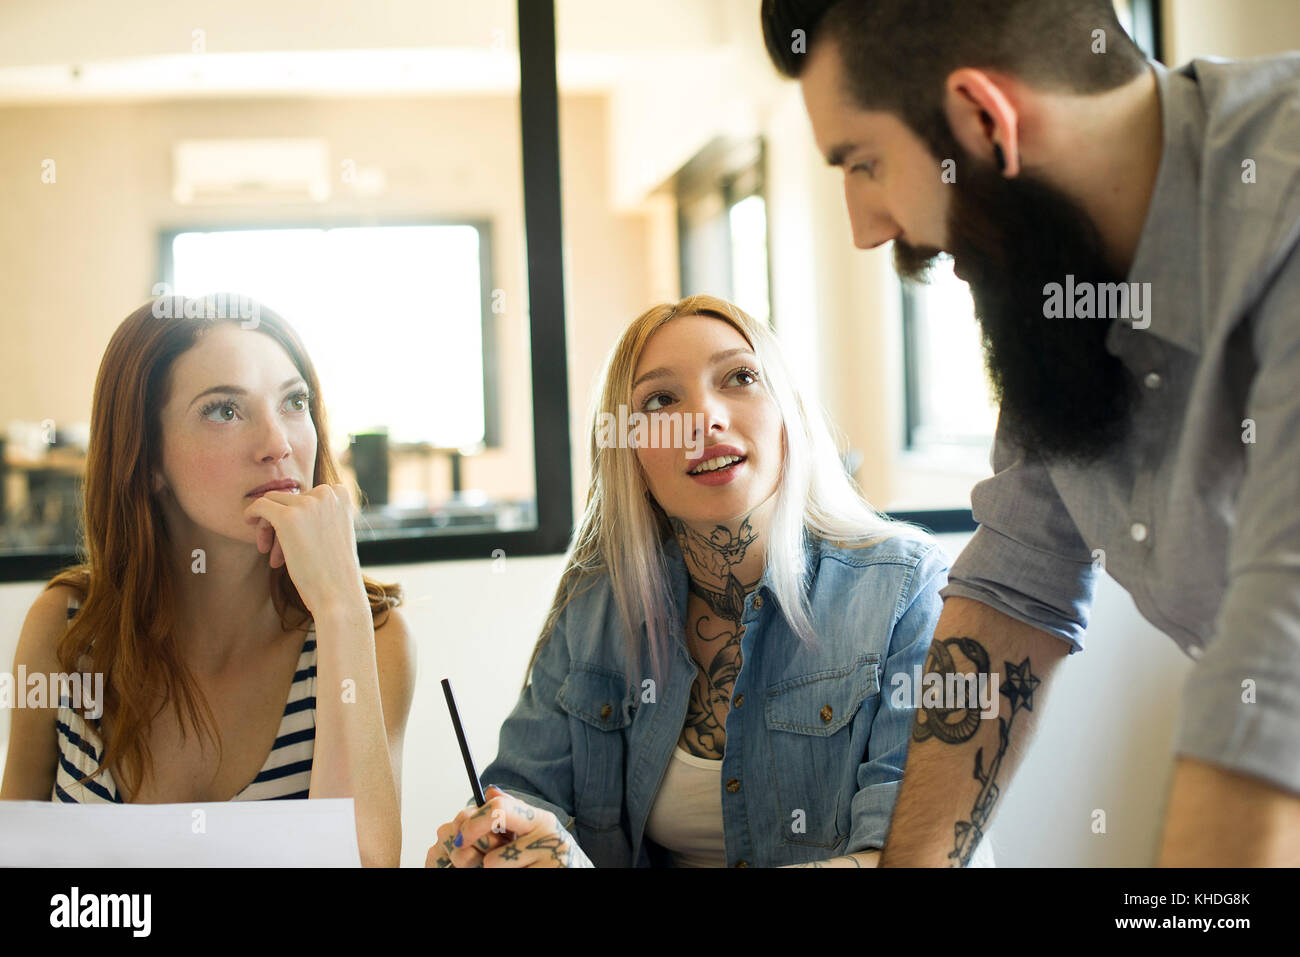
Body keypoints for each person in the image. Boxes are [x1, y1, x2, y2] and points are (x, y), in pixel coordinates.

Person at [761, 0, 1300, 865]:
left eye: (864, 163)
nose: (865, 228)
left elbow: (1276, 678)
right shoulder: (1064, 281)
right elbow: (1013, 593)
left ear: (983, 119)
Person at [427, 294, 971, 868]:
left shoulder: (906, 587)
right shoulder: (595, 601)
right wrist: (502, 841)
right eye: (661, 400)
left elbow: (904, 855)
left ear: (789, 415)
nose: (705, 419)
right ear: (630, 453)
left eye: (739, 377)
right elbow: (525, 793)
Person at [0, 295, 415, 868]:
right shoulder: (65, 627)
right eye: (225, 410)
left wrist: (340, 608)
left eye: (295, 402)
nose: (279, 444)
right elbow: (17, 854)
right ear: (146, 457)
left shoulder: (372, 633)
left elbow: (363, 865)